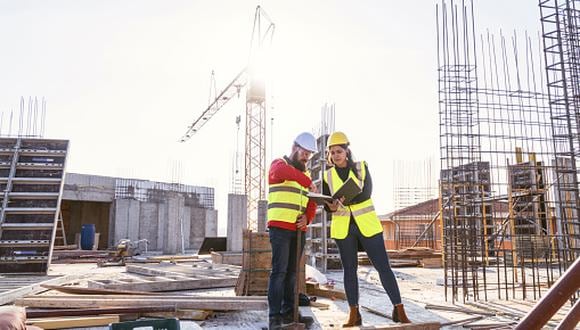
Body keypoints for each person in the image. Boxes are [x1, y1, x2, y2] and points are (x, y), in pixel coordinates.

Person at [323, 131, 411, 327]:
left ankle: (399, 309)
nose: (335, 155)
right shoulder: (327, 175)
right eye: (332, 152)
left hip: (368, 226)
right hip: (344, 228)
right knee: (349, 270)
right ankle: (354, 313)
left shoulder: (361, 167)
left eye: (339, 151)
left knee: (383, 268)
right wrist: (331, 206)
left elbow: (367, 193)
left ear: (347, 151)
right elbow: (326, 203)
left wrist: (345, 199)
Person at [267, 132, 318, 329]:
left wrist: (308, 218)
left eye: (309, 154)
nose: (306, 157)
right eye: (304, 153)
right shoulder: (279, 164)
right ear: (295, 148)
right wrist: (306, 182)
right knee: (279, 272)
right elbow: (282, 174)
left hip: (298, 231)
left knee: (291, 274)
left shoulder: (306, 175)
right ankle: (274, 317)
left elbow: (311, 201)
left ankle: (289, 312)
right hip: (279, 228)